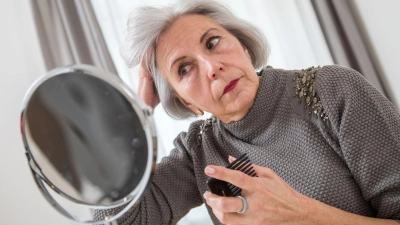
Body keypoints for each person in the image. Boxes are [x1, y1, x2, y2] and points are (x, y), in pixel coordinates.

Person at [95, 0, 400, 224]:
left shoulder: (332, 90)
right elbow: (115, 219)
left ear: (242, 46)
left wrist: (303, 214)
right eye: (185, 69)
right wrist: (135, 117)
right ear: (187, 102)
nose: (212, 68)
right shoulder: (197, 151)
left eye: (213, 43)